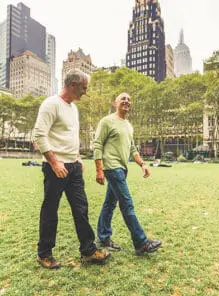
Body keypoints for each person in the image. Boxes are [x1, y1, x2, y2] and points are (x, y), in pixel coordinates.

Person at [33, 69, 110, 269]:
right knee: (50, 210)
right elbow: (39, 135)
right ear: (73, 84)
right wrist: (54, 162)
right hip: (55, 167)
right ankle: (44, 253)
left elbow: (69, 136)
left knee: (81, 208)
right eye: (84, 87)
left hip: (74, 168)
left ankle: (88, 251)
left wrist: (77, 158)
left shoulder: (73, 108)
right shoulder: (51, 104)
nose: (85, 91)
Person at [93, 92, 162, 255]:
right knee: (127, 204)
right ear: (115, 103)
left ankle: (103, 237)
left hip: (123, 169)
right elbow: (97, 145)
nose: (126, 101)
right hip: (112, 167)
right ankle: (141, 243)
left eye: (129, 99)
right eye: (123, 98)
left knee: (109, 203)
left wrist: (143, 165)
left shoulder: (128, 125)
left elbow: (132, 149)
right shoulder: (107, 121)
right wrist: (99, 169)